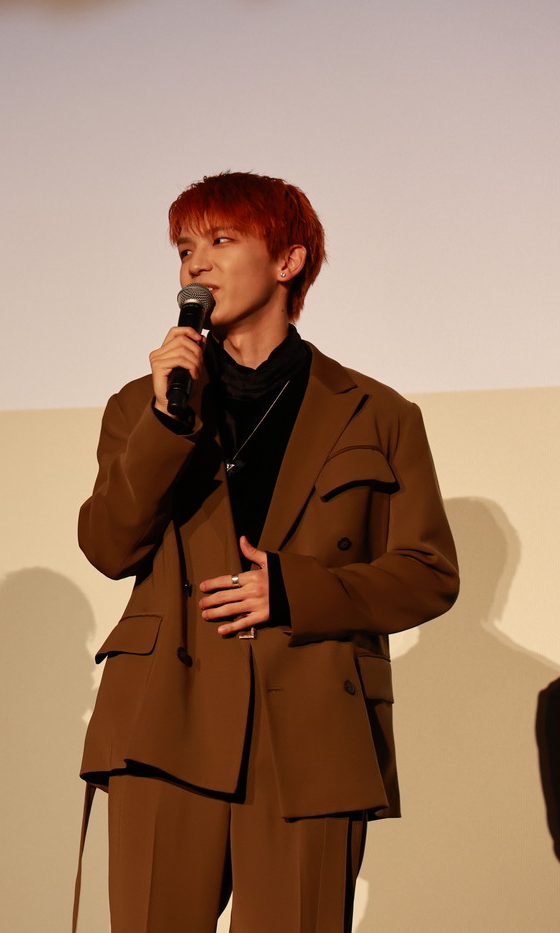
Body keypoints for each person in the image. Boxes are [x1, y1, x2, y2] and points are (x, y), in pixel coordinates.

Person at [77, 171, 459, 932]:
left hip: (311, 727)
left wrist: (292, 590)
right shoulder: (142, 404)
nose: (196, 263)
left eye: (221, 240)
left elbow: (428, 573)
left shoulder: (377, 413)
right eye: (185, 248)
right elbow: (109, 545)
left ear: (288, 261)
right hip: (165, 719)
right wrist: (167, 421)